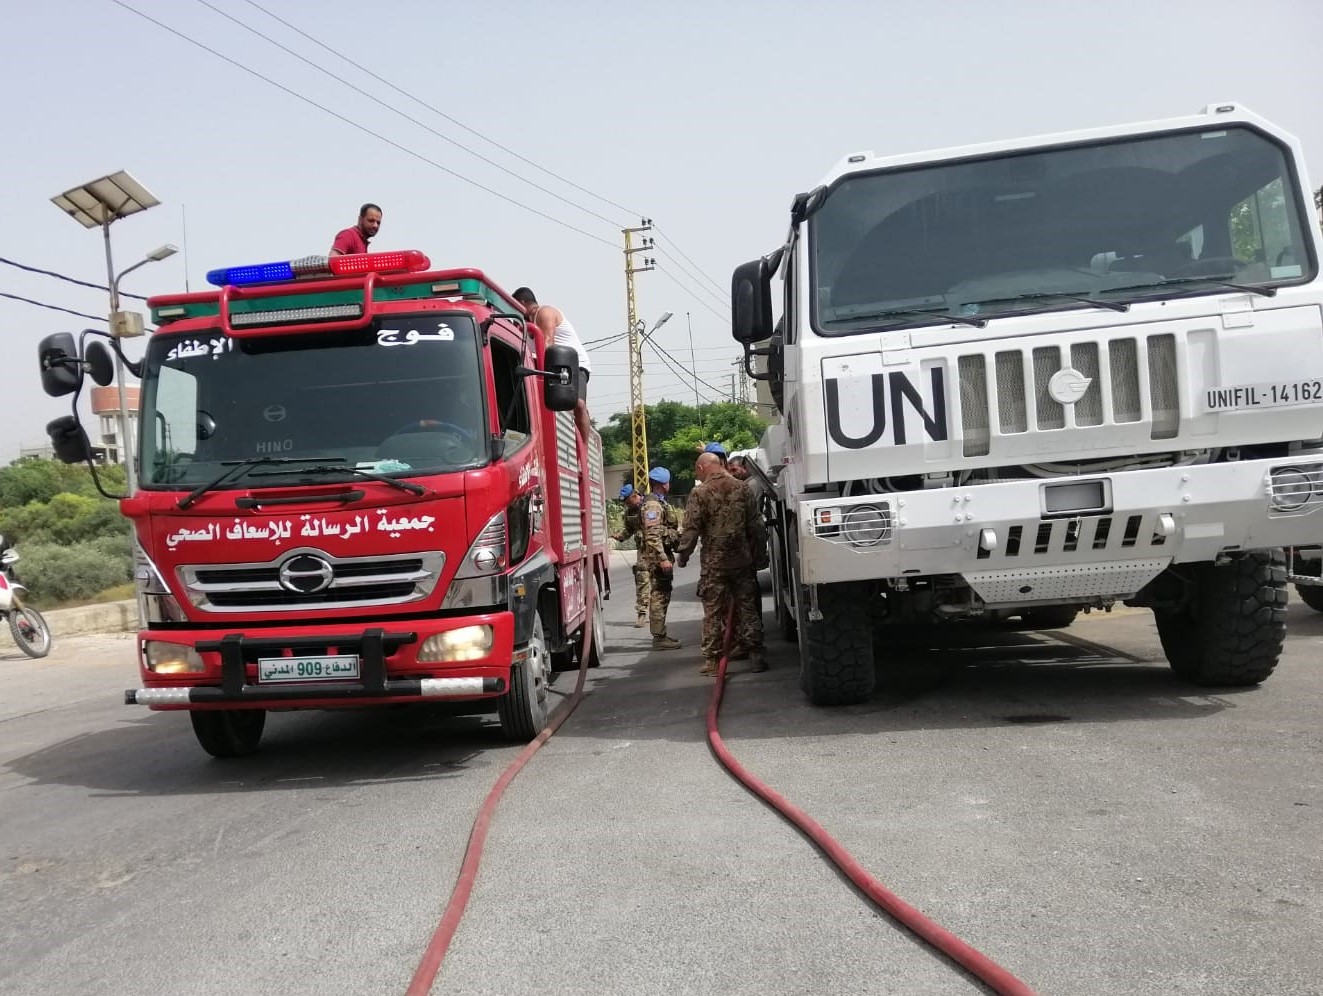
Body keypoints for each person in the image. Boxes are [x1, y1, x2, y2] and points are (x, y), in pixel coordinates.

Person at [676, 452, 767, 676]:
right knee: (747, 608)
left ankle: (711, 661)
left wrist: (683, 555)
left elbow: (691, 529)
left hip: (714, 565)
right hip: (741, 561)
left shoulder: (699, 492)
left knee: (713, 612)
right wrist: (760, 555)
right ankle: (756, 655)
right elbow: (757, 526)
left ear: (701, 468)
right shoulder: (742, 488)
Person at [511, 287, 593, 441]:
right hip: (549, 364)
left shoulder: (545, 312)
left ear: (522, 303)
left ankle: (584, 450)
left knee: (578, 404)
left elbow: (548, 343)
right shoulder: (524, 324)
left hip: (571, 363)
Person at [639, 466, 682, 650]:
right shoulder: (653, 505)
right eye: (668, 482)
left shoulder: (658, 502)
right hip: (657, 558)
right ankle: (659, 637)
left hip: (660, 555)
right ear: (664, 484)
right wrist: (663, 558)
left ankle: (661, 634)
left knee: (663, 594)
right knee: (659, 596)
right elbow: (652, 535)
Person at [613, 483, 651, 628]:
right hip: (643, 549)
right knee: (641, 579)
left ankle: (657, 613)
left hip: (657, 549)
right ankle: (641, 613)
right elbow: (628, 530)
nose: (628, 505)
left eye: (629, 502)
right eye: (626, 503)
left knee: (659, 581)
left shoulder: (650, 505)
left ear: (635, 496)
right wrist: (620, 536)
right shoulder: (629, 513)